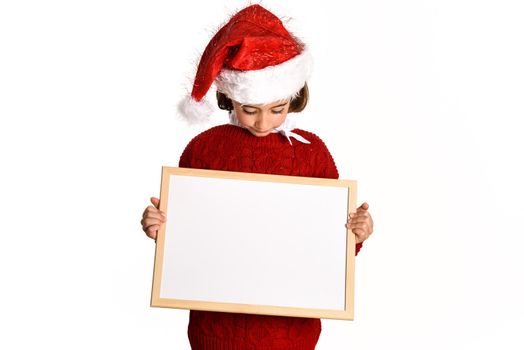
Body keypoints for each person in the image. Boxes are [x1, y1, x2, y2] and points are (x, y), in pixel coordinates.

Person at [140, 4, 374, 350]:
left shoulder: (311, 153)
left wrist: (356, 234)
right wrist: (159, 229)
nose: (263, 123)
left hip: (290, 333)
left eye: (276, 110)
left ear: (294, 97)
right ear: (229, 97)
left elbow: (327, 250)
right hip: (217, 330)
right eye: (250, 110)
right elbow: (189, 243)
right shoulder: (204, 150)